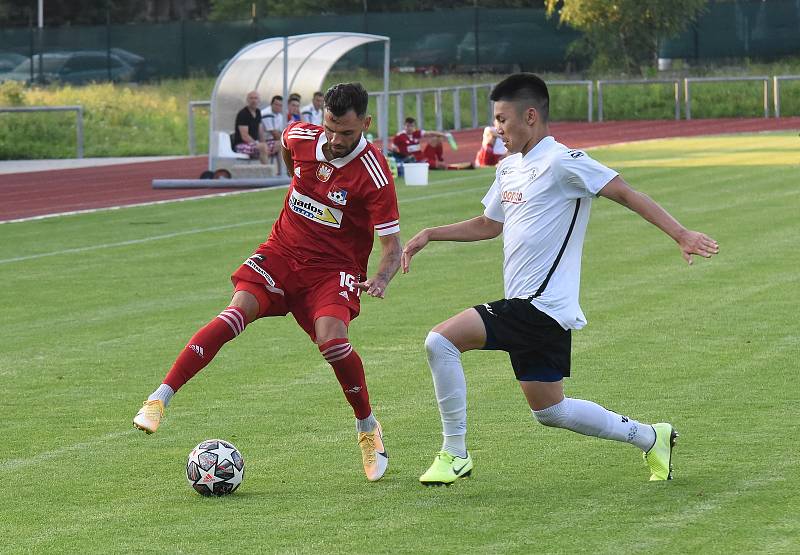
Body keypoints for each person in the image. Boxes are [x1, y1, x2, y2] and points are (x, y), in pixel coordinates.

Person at [401, 73, 719, 486]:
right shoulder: (508, 169)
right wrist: (430, 233)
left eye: (502, 119)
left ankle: (454, 452)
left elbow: (626, 193)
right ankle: (650, 436)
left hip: (539, 305)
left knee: (440, 341)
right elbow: (487, 224)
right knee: (551, 411)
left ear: (530, 116)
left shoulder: (563, 162)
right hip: (531, 307)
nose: (497, 129)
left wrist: (682, 234)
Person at [133, 82, 402, 482]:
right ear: (322, 118)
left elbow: (392, 245)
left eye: (347, 132)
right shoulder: (299, 135)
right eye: (330, 128)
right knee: (234, 312)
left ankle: (367, 427)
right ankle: (158, 399)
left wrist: (380, 278)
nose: (336, 139)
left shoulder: (374, 175)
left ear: (365, 123)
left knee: (332, 340)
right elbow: (291, 156)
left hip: (332, 268)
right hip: (281, 252)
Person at [232, 91, 270, 164]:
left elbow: (260, 131)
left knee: (280, 145)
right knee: (263, 147)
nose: (253, 100)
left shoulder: (258, 112)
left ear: (259, 100)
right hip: (241, 145)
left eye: (256, 98)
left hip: (254, 144)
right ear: (247, 100)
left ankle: (282, 173)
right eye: (251, 98)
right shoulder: (243, 114)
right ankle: (266, 172)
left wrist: (263, 142)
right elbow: (244, 136)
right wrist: (257, 143)